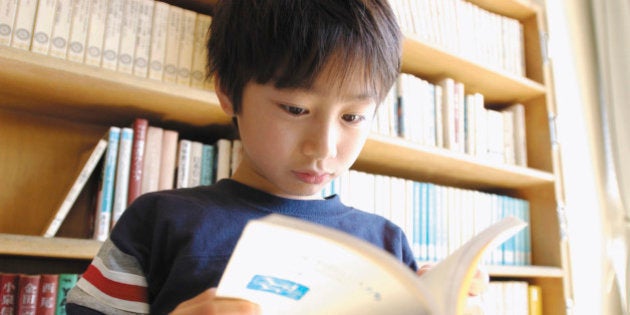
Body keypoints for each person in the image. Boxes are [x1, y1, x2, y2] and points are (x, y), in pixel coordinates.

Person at [67, 1, 487, 314]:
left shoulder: (386, 244)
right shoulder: (159, 222)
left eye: (353, 116)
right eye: (295, 109)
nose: (323, 147)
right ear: (228, 92)